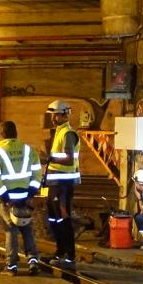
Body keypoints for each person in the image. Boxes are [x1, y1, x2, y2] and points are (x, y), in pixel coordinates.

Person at [0, 120, 42, 276]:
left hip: (8, 200)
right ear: (16, 133)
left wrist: (5, 197)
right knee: (27, 229)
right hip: (25, 198)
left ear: (2, 134)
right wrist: (30, 193)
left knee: (11, 230)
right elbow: (37, 173)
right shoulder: (29, 150)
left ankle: (11, 266)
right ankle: (33, 262)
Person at [42, 100, 81, 271]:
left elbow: (69, 158)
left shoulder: (68, 134)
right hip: (55, 183)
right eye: (52, 115)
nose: (53, 118)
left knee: (63, 218)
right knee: (54, 219)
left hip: (63, 184)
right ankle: (60, 253)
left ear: (64, 114)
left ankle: (70, 257)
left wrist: (48, 159)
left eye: (55, 115)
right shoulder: (59, 132)